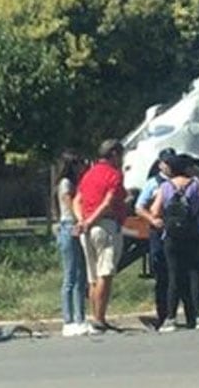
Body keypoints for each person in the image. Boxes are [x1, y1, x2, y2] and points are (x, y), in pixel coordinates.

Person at [151, 154, 199, 332]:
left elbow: (154, 211)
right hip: (194, 234)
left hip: (172, 237)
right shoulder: (198, 185)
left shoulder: (165, 186)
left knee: (174, 276)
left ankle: (171, 318)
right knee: (195, 276)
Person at [135, 147, 194, 330]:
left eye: (171, 162)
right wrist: (153, 219)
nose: (168, 165)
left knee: (183, 275)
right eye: (165, 162)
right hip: (159, 235)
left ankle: (191, 316)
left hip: (180, 234)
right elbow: (139, 206)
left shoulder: (186, 181)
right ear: (160, 164)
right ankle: (164, 316)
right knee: (163, 277)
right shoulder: (154, 183)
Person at [73, 139, 127, 333]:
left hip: (87, 229)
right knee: (106, 273)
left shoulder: (88, 174)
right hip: (105, 226)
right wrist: (90, 221)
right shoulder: (114, 174)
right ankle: (99, 318)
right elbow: (107, 202)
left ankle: (95, 317)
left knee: (93, 276)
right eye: (120, 155)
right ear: (113, 154)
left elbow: (77, 200)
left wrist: (81, 220)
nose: (122, 159)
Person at [55, 151, 88, 337]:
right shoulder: (66, 184)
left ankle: (80, 317)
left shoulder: (76, 183)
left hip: (76, 226)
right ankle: (68, 320)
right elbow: (70, 205)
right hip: (69, 226)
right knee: (71, 274)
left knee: (80, 275)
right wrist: (80, 220)